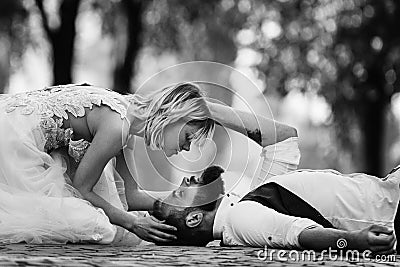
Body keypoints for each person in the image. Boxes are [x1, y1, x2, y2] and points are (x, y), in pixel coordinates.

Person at [152, 102, 399, 254]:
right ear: (195, 218)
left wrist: (206, 110)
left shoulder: (255, 200)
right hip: (391, 211)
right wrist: (355, 241)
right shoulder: (241, 217)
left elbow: (283, 138)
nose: (184, 181)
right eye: (180, 194)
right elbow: (299, 233)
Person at [0, 82, 214, 244]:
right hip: (14, 141)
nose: (186, 148)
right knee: (94, 224)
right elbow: (82, 187)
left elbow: (131, 195)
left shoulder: (126, 114)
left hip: (13, 123)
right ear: (175, 116)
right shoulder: (117, 128)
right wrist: (132, 223)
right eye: (188, 137)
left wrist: (173, 205)